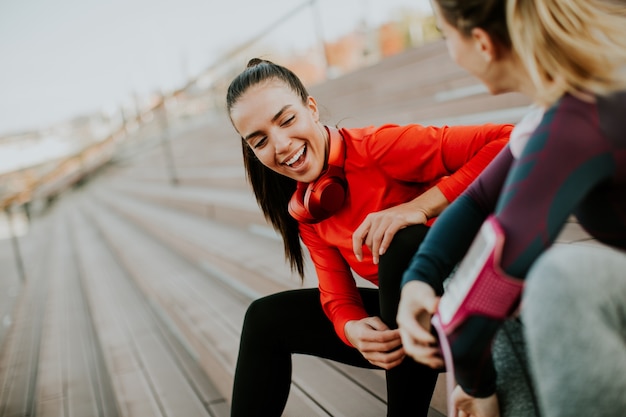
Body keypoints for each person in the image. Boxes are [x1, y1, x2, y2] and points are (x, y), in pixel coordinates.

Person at [225, 57, 512, 416]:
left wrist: (420, 207)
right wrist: (352, 329)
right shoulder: (309, 209)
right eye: (259, 141)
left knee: (400, 240)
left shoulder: (379, 148)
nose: (280, 145)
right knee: (264, 319)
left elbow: (510, 141)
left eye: (286, 120)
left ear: (311, 108)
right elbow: (337, 297)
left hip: (478, 301)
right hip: (417, 333)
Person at [397, 0, 626, 416]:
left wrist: (477, 387)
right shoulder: (578, 95)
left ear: (482, 43)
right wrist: (419, 278)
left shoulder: (580, 116)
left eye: (445, 35)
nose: (449, 48)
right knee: (476, 265)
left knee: (556, 280)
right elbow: (479, 200)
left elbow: (481, 303)